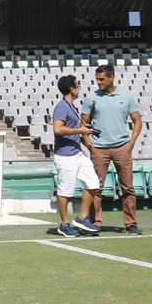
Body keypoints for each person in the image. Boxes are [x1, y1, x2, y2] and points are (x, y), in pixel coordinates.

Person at [83, 63, 144, 234]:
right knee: (96, 187)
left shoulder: (126, 97)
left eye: (102, 79)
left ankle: (131, 223)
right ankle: (96, 223)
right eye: (97, 79)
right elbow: (84, 123)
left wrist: (131, 143)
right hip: (99, 149)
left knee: (128, 188)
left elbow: (137, 121)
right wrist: (88, 143)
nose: (99, 82)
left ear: (112, 77)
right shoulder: (91, 98)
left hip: (122, 147)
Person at [48, 74, 100, 237]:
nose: (79, 89)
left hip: (77, 153)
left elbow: (75, 130)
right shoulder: (62, 107)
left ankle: (82, 217)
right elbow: (58, 129)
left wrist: (88, 143)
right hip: (65, 156)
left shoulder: (71, 107)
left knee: (93, 183)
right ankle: (64, 224)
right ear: (72, 89)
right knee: (65, 190)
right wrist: (81, 130)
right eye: (78, 86)